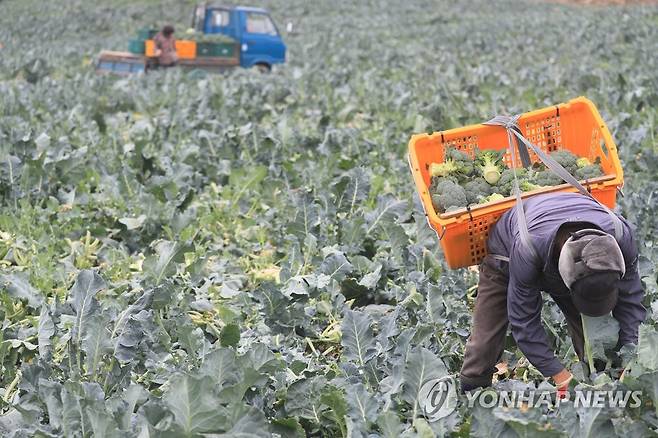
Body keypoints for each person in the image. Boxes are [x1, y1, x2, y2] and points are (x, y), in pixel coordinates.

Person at [459, 192, 646, 393]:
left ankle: (596, 383)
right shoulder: (527, 247)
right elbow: (524, 320)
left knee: (594, 341)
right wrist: (558, 375)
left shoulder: (620, 236)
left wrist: (631, 356)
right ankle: (473, 391)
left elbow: (631, 301)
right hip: (507, 257)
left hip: (561, 239)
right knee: (484, 341)